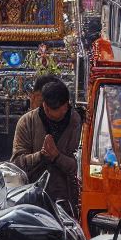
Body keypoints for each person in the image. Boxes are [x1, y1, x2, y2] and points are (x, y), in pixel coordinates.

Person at [11, 79, 81, 208]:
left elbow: (81, 168)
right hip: (32, 200)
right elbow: (16, 164)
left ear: (67, 105)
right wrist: (40, 156)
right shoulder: (27, 122)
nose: (50, 112)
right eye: (48, 109)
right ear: (44, 106)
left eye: (59, 110)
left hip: (68, 202)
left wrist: (57, 157)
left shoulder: (78, 123)